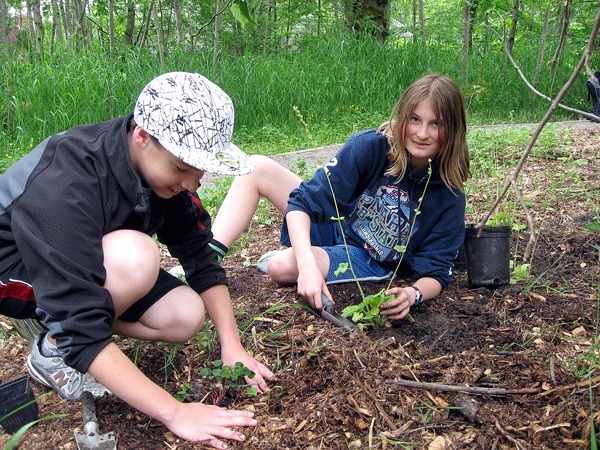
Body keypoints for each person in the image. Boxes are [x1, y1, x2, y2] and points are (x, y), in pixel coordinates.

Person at [0, 71, 274, 449]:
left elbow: (199, 254)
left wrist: (233, 346)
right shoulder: (66, 181)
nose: (192, 184)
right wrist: (176, 412)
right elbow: (79, 322)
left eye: (200, 172)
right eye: (182, 168)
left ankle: (66, 334)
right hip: (17, 273)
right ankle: (53, 350)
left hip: (87, 259)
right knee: (135, 256)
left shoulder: (159, 173)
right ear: (142, 135)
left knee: (184, 314)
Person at [210, 73, 471, 320]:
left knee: (281, 267)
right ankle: (207, 260)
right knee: (256, 167)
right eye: (415, 119)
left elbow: (437, 272)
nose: (422, 133)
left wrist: (413, 294)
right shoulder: (372, 147)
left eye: (435, 124)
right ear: (403, 117)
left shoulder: (450, 195)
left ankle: (304, 254)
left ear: (453, 130)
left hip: (365, 257)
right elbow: (303, 202)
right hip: (338, 222)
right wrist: (308, 265)